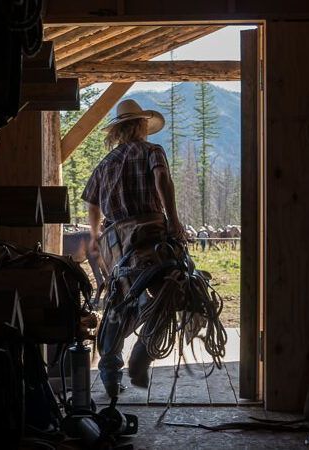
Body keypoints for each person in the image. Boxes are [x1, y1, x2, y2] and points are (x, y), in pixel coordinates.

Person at [81, 99, 185, 397]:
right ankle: (146, 341)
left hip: (116, 240)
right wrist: (174, 220)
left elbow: (91, 201)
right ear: (141, 126)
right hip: (149, 232)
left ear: (118, 130)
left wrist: (93, 236)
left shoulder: (106, 163)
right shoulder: (152, 151)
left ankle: (110, 375)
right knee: (169, 289)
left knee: (117, 299)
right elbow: (162, 179)